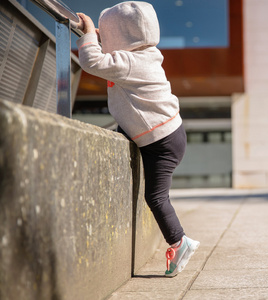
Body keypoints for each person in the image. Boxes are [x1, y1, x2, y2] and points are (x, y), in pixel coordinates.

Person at [74, 1, 199, 277]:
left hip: (161, 141)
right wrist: (100, 37)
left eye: (109, 35)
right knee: (157, 193)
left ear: (122, 38)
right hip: (166, 134)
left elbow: (92, 61)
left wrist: (89, 37)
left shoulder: (129, 62)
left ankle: (180, 242)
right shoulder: (146, 55)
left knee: (155, 197)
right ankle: (180, 241)